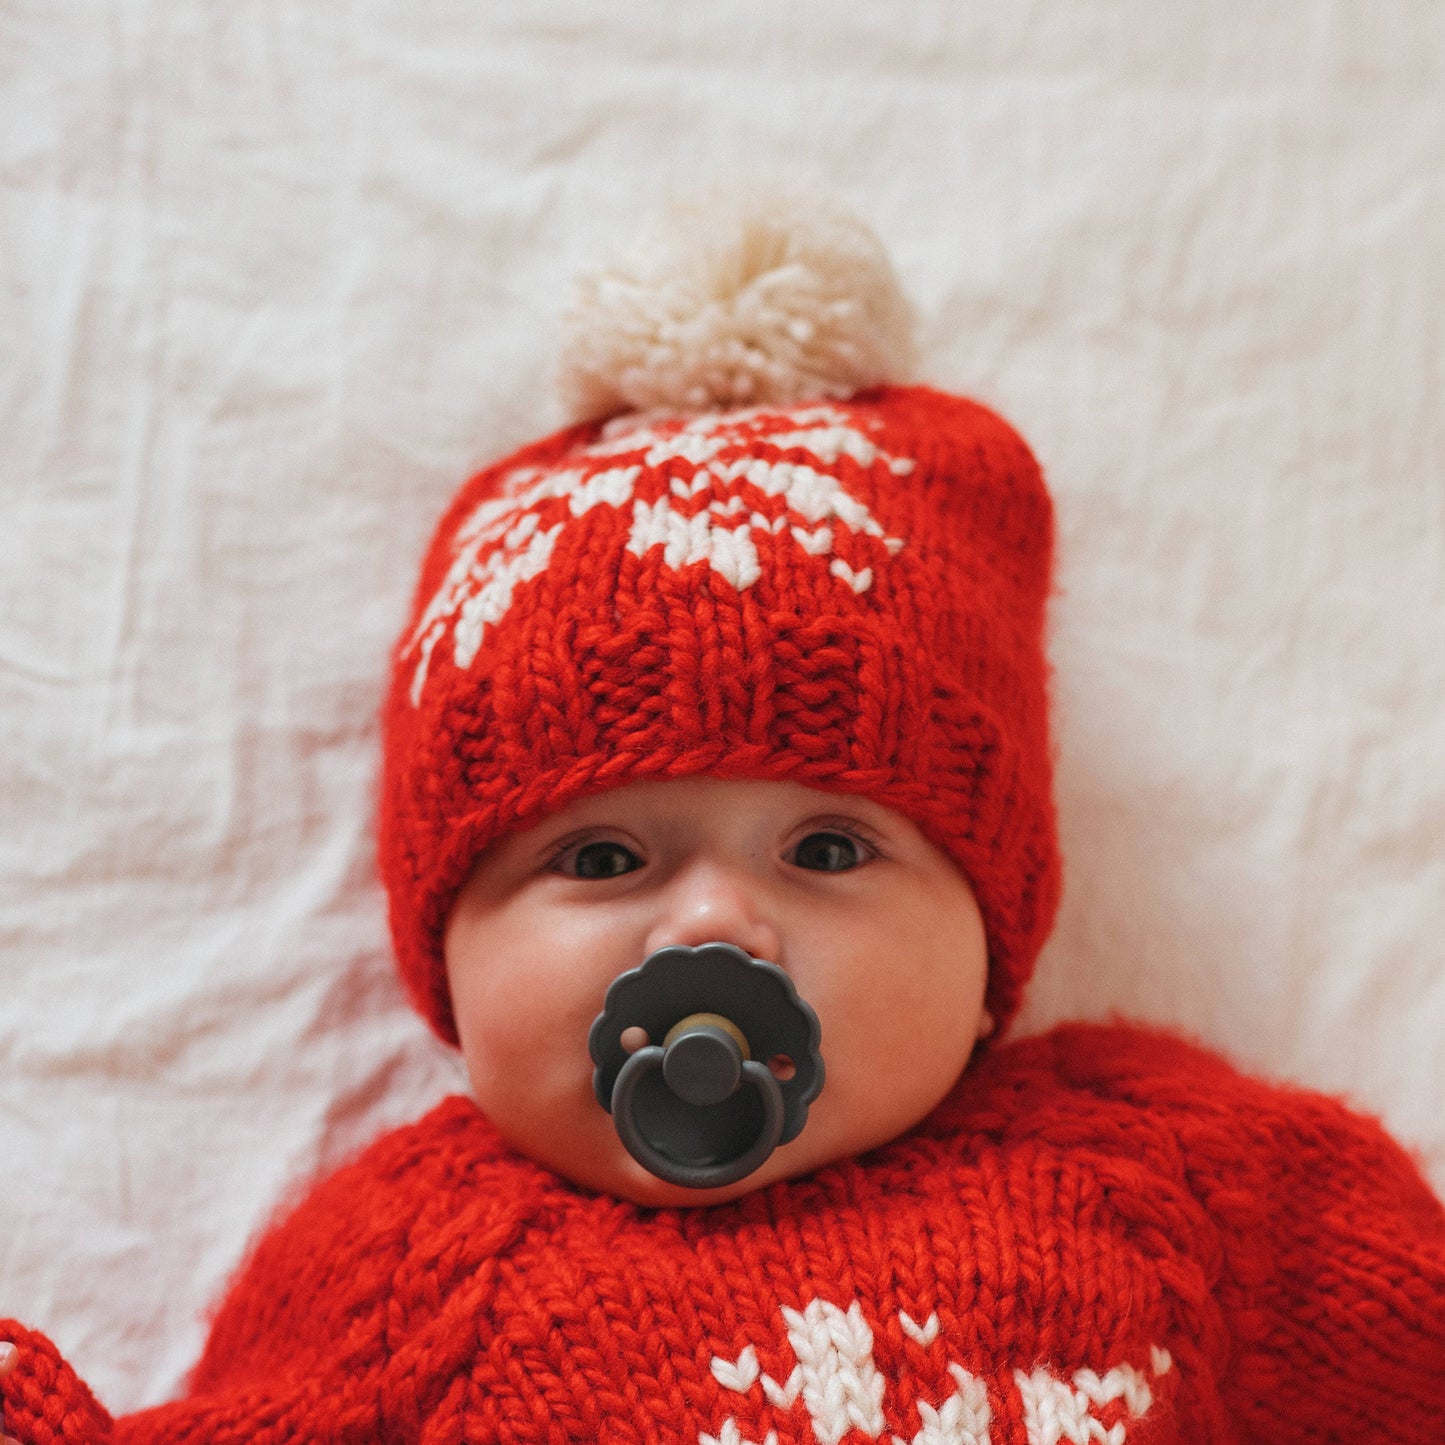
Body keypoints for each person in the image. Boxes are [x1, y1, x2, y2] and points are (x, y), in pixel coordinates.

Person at [3, 180, 1443, 1445]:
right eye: (601, 854)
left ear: (993, 929)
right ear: (443, 952)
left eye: (828, 846)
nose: (712, 920)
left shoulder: (1184, 1180)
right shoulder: (406, 1270)